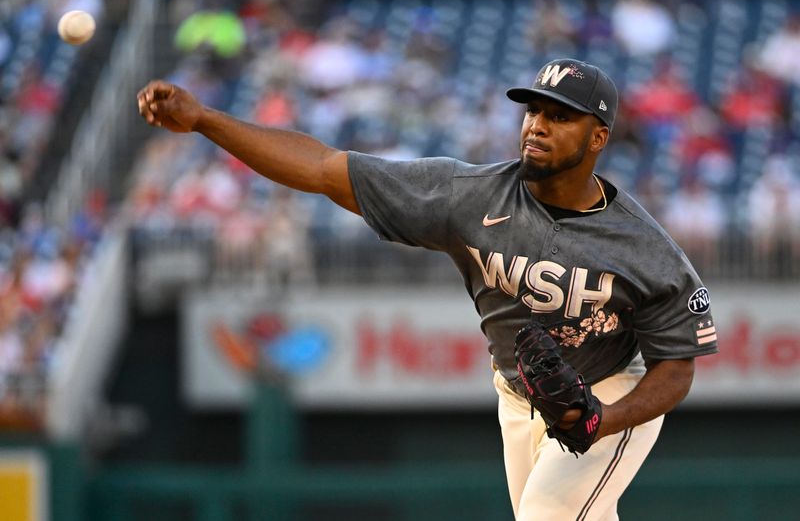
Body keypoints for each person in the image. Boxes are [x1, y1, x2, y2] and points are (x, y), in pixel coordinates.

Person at [137, 58, 719, 521]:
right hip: (519, 395)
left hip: (608, 389)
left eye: (560, 116)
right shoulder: (470, 196)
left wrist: (603, 418)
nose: (537, 124)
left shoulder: (646, 249)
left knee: (549, 515)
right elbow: (321, 169)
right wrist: (204, 119)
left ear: (598, 138)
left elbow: (678, 367)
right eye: (533, 110)